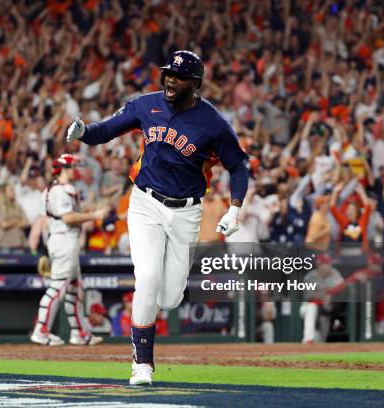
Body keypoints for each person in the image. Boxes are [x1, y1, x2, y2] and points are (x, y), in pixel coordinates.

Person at [66, 50, 249, 385]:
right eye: (168, 73)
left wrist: (235, 207)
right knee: (147, 278)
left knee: (170, 297)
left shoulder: (213, 123)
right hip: (145, 202)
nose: (169, 79)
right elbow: (105, 131)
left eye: (178, 76)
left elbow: (239, 166)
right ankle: (142, 365)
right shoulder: (144, 104)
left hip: (187, 212)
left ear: (195, 83)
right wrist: (82, 132)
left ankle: (148, 343)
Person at [30, 154, 107, 346]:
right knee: (58, 288)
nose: (76, 169)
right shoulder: (60, 191)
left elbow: (46, 221)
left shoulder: (50, 190)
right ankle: (41, 330)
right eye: (72, 166)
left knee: (74, 289)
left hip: (60, 240)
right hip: (64, 240)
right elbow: (68, 218)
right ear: (63, 169)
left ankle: (79, 333)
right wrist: (95, 214)